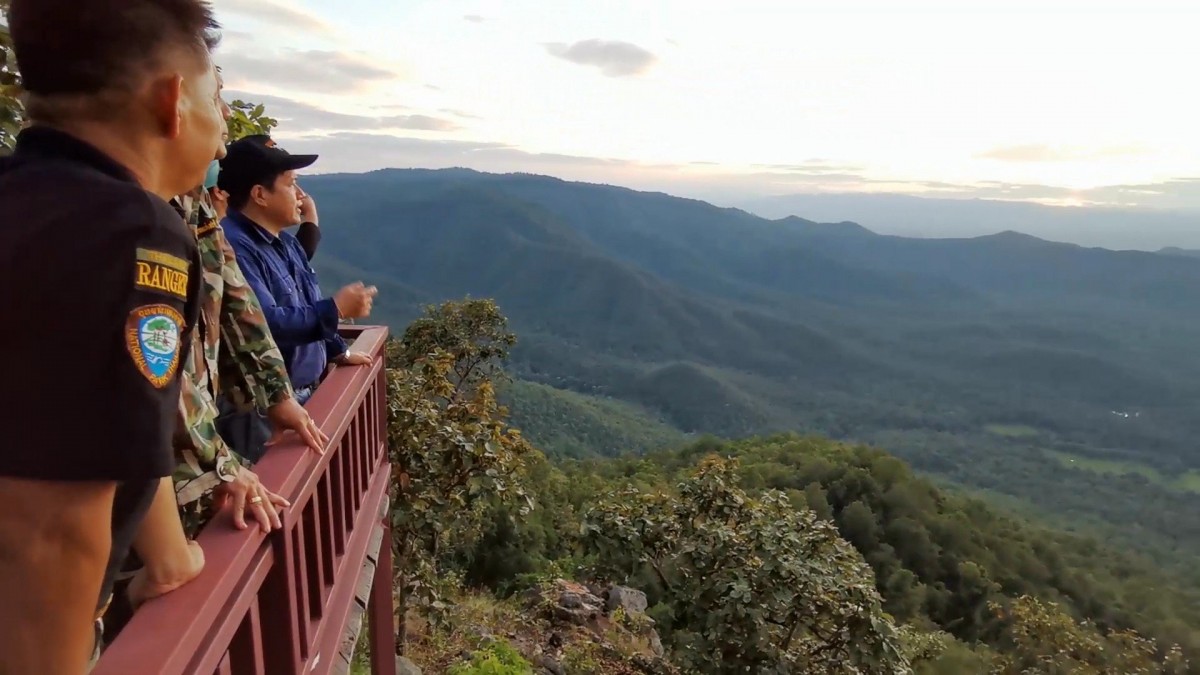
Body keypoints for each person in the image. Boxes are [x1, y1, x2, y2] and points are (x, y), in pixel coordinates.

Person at [0, 1, 224, 672]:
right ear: (173, 101)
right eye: (216, 94)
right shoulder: (134, 232)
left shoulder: (27, 202)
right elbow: (49, 529)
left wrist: (170, 554)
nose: (220, 134)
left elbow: (104, 417)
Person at [220, 137, 375, 402]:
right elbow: (264, 323)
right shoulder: (233, 246)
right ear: (259, 195)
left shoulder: (286, 243)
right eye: (291, 184)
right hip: (266, 406)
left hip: (303, 394)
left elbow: (305, 301)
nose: (301, 195)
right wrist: (335, 309)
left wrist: (339, 351)